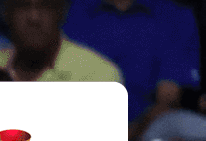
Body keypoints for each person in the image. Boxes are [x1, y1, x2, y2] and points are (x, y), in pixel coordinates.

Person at [61, 0, 200, 131]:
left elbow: (168, 100)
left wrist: (130, 133)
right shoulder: (67, 12)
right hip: (73, 122)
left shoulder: (175, 17)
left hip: (145, 129)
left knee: (186, 125)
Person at [0, 0, 124, 85]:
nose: (34, 17)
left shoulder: (98, 76)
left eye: (46, 6)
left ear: (62, 12)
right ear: (5, 12)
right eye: (22, 5)